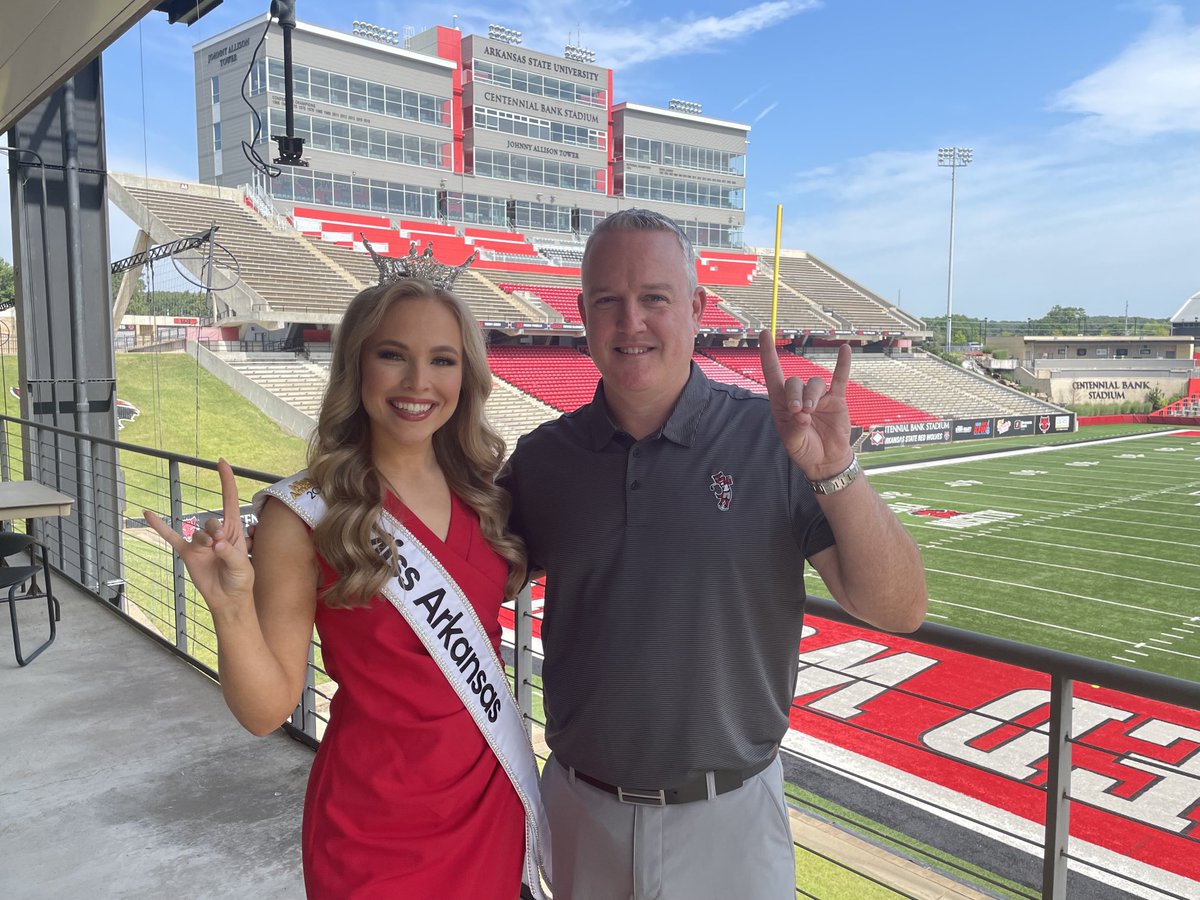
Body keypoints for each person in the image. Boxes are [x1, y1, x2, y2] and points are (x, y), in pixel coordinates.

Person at [502, 209, 928, 899]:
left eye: (654, 299)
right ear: (581, 314)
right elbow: (465, 575)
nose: (630, 322)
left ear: (697, 308)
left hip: (728, 821)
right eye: (608, 300)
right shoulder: (546, 459)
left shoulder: (776, 441)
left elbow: (899, 608)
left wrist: (835, 470)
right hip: (582, 813)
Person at [146, 279, 549, 899]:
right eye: (393, 355)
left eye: (442, 360)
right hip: (376, 829)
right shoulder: (304, 512)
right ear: (355, 365)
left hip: (488, 803)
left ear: (465, 375)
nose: (419, 381)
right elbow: (265, 711)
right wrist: (229, 607)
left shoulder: (485, 495)